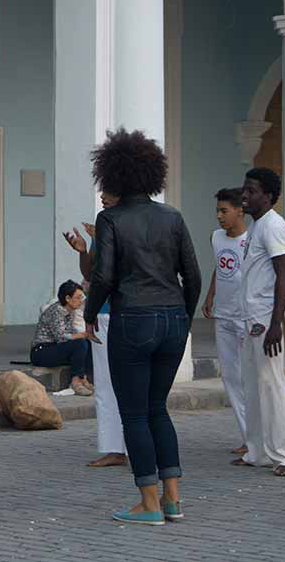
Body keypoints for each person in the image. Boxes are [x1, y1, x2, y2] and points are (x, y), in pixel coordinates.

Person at [84, 128, 201, 526]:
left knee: (133, 414)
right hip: (173, 317)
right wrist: (183, 316)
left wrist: (88, 313)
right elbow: (194, 275)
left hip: (133, 318)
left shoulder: (110, 218)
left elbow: (102, 276)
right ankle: (172, 499)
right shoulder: (173, 216)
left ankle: (148, 503)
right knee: (157, 410)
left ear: (112, 175)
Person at [237, 168, 285, 477]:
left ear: (269, 196)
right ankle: (258, 452)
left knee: (273, 384)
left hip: (269, 316)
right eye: (244, 189)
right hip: (255, 316)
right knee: (252, 382)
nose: (244, 195)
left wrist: (276, 323)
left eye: (251, 191)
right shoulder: (257, 226)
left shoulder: (273, 226)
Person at [62, 196, 128, 468]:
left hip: (123, 311)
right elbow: (91, 274)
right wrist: (82, 251)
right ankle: (114, 447)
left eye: (108, 191)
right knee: (105, 382)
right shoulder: (102, 226)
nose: (102, 196)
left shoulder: (124, 225)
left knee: (126, 382)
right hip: (103, 311)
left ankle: (131, 445)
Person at [201, 188, 250, 454]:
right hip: (223, 315)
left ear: (240, 210)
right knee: (231, 376)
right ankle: (247, 437)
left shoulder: (252, 238)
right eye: (217, 211)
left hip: (246, 316)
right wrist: (210, 296)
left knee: (248, 377)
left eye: (224, 211)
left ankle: (260, 436)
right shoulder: (217, 238)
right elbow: (220, 268)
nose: (220, 217)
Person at [31, 281, 94, 396]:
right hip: (41, 351)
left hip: (56, 348)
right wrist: (83, 334)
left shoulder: (70, 311)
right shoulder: (56, 311)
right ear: (68, 298)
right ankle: (76, 382)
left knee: (86, 344)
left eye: (82, 297)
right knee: (80, 343)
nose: (81, 300)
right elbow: (61, 337)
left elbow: (71, 334)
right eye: (78, 297)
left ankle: (83, 378)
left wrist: (84, 336)